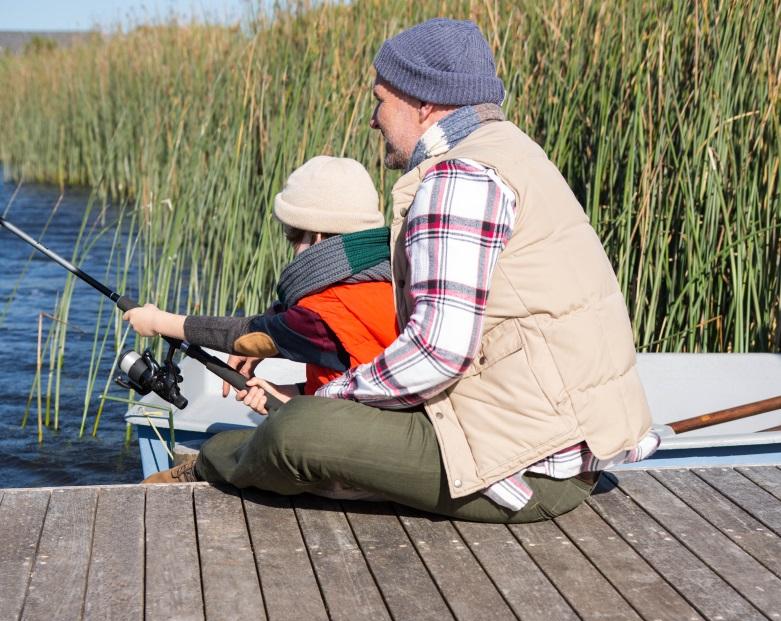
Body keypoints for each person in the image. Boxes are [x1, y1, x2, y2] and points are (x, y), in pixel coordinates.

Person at [146, 18, 659, 522]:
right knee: (308, 415)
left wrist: (328, 399)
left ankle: (210, 464)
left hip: (527, 467)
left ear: (425, 105)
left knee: (298, 431)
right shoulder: (516, 152)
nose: (373, 119)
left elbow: (439, 353)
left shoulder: (457, 179)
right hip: (559, 440)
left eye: (380, 100)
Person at [124, 155, 397, 431]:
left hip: (361, 431)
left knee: (219, 452)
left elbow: (246, 334)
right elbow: (345, 366)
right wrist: (290, 393)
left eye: (294, 239)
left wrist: (157, 321)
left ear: (316, 237)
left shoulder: (327, 311)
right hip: (365, 419)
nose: (293, 253)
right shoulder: (384, 282)